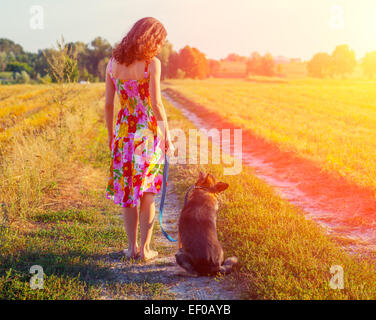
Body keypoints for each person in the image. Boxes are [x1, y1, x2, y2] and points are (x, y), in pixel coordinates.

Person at [104, 17, 174, 261]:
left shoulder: (112, 64)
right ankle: (144, 250)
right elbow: (156, 104)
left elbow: (108, 105)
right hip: (147, 134)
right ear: (152, 39)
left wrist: (112, 137)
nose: (161, 46)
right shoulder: (151, 64)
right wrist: (166, 135)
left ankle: (131, 247)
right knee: (147, 193)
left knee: (128, 193)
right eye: (160, 41)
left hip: (124, 134)